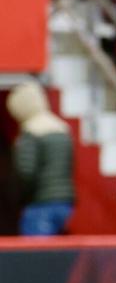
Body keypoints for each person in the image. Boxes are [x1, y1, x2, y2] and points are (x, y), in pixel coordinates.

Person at [7, 82, 74, 236]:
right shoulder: (61, 128)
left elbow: (26, 172)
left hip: (40, 203)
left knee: (35, 256)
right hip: (65, 202)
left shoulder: (31, 132)